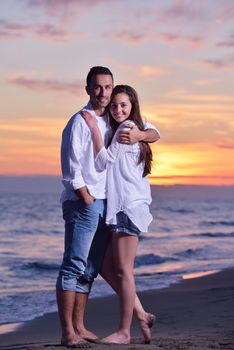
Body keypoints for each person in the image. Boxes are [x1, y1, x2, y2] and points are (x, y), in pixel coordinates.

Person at [56, 67, 160, 347]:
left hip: (115, 205)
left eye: (108, 88)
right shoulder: (82, 121)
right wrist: (84, 195)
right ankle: (71, 331)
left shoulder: (121, 126)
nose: (104, 95)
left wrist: (140, 135)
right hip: (89, 202)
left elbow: (154, 131)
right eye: (98, 88)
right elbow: (71, 168)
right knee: (84, 265)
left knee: (96, 267)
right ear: (88, 88)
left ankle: (92, 327)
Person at [81, 84, 159, 345]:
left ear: (132, 105)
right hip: (125, 206)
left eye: (123, 105)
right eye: (114, 105)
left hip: (126, 207)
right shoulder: (133, 127)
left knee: (124, 271)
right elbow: (156, 131)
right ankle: (141, 314)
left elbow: (102, 161)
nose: (117, 110)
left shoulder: (126, 130)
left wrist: (94, 130)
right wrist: (143, 134)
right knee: (105, 265)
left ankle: (124, 332)